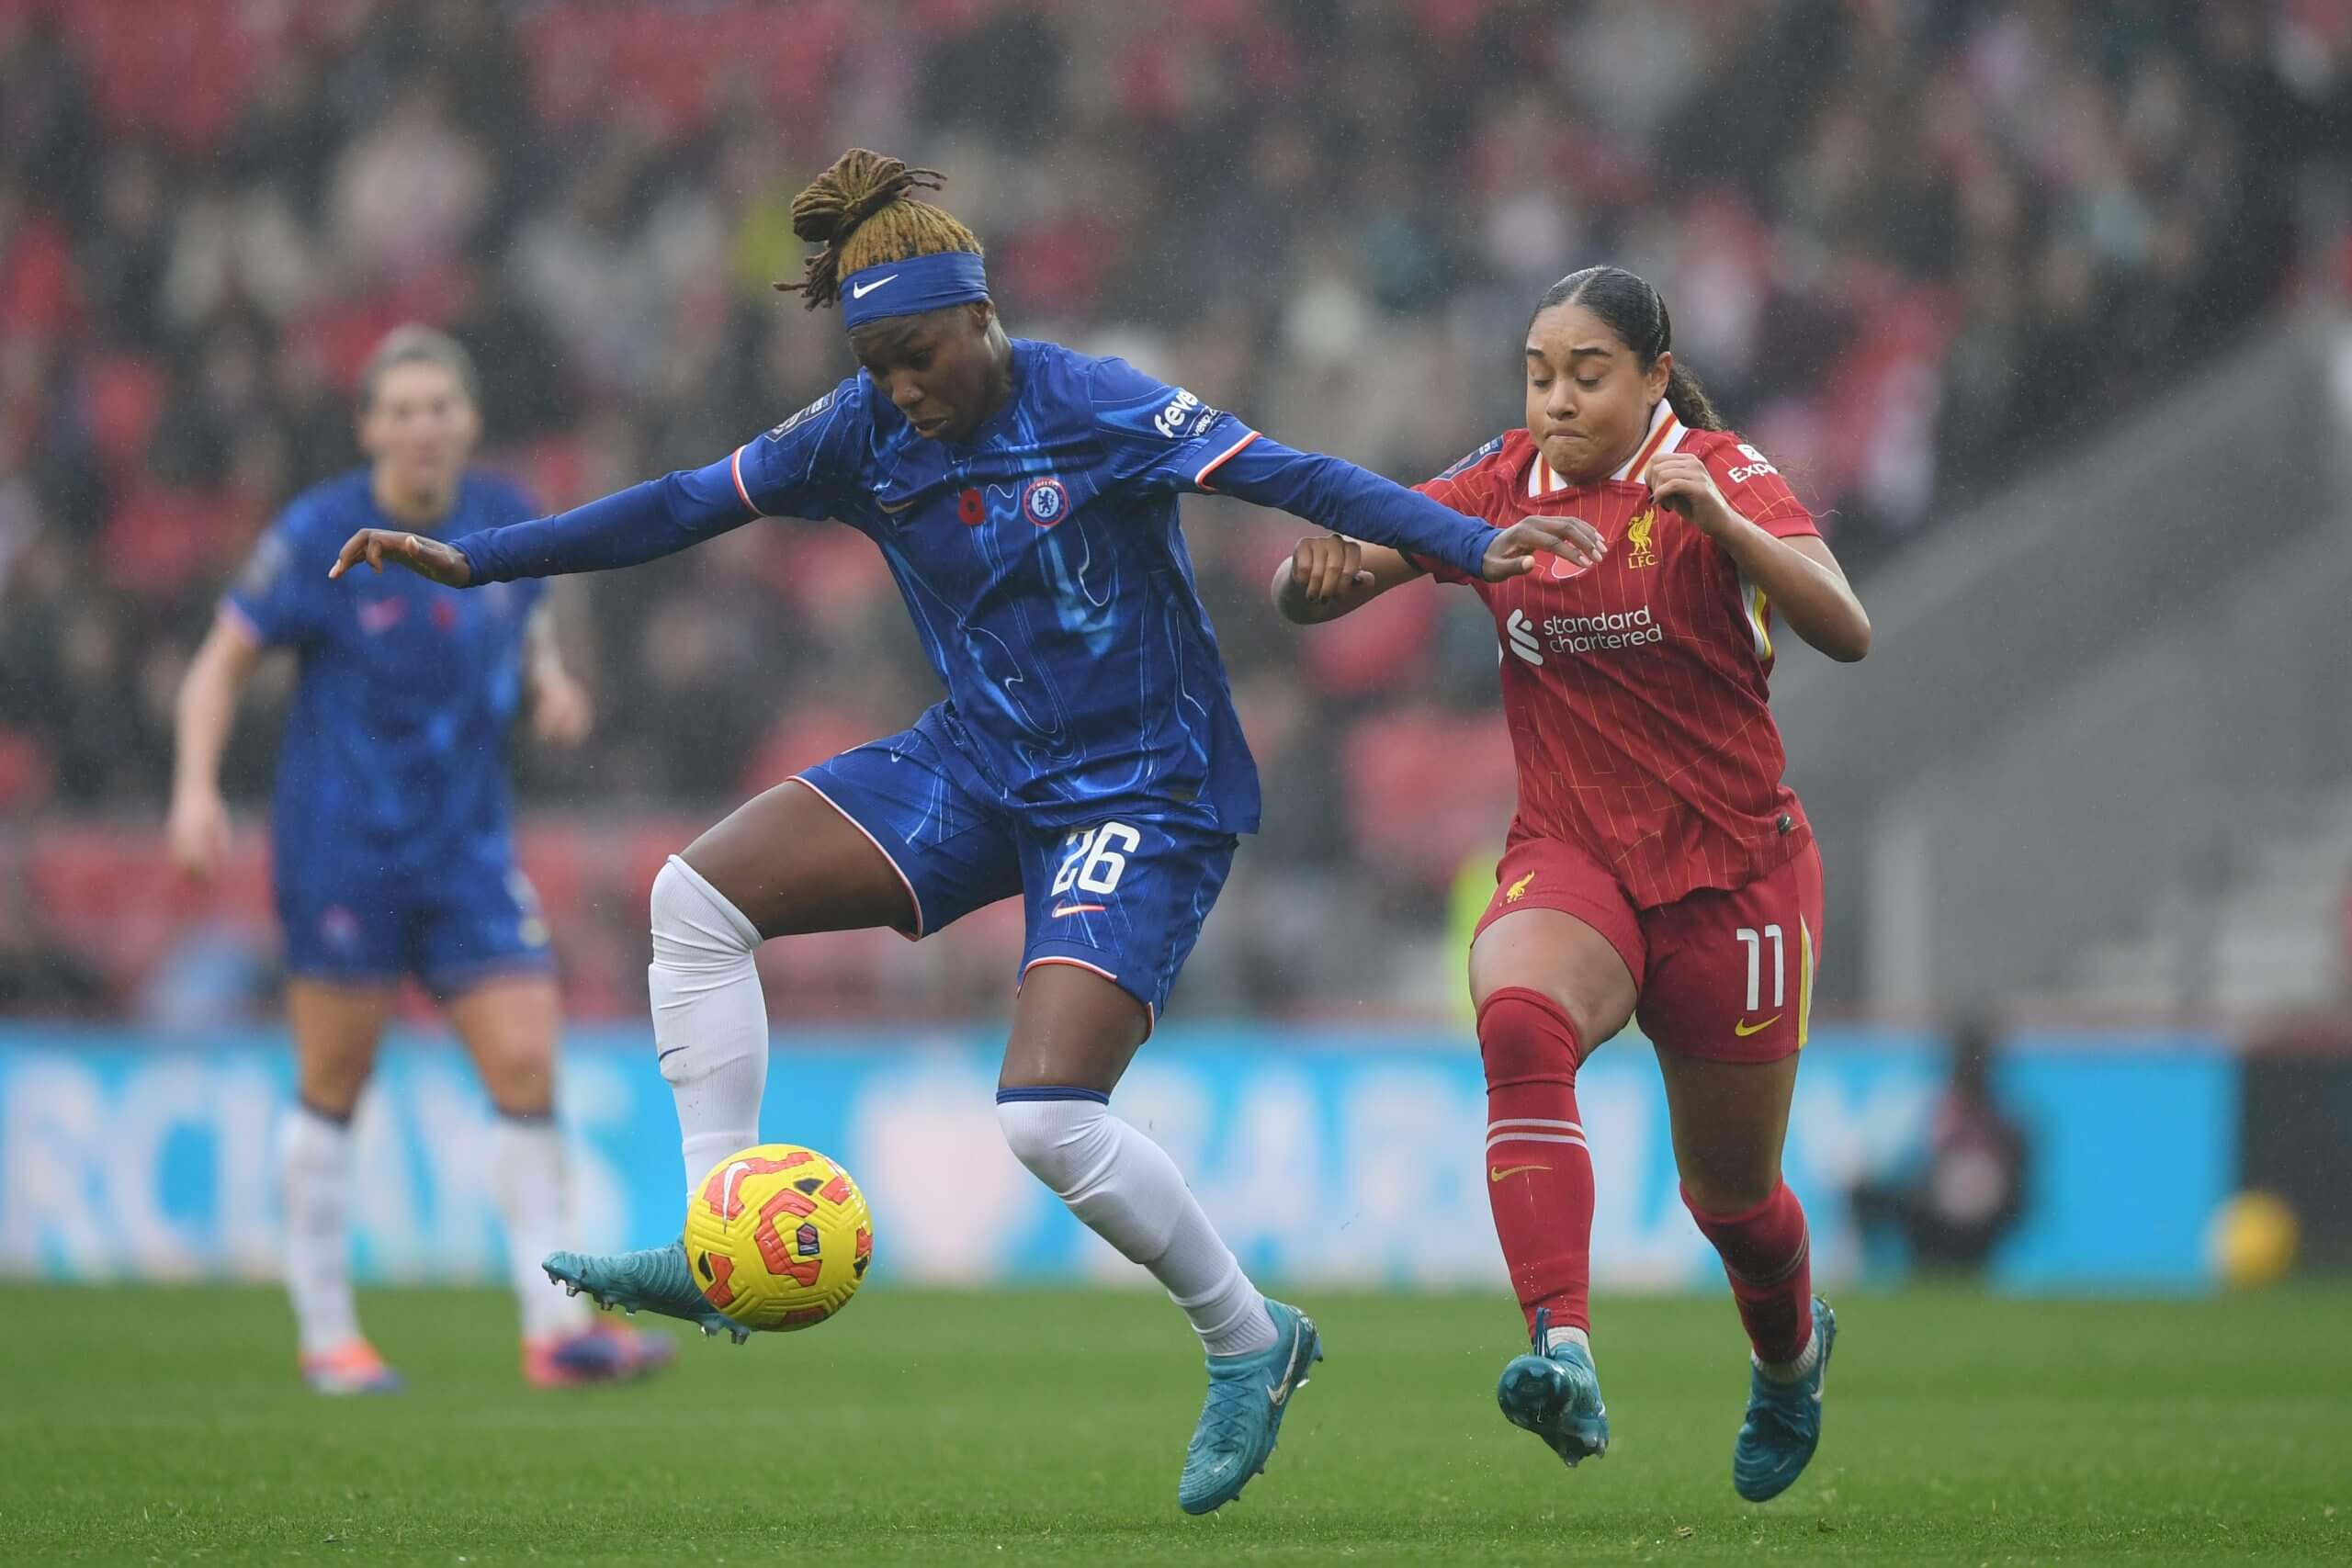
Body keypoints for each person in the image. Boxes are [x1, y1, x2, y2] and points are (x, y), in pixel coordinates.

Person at [326, 149, 1578, 1514]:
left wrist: (1461, 544)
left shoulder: (1092, 402)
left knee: (1046, 1119)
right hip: (980, 763)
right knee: (694, 897)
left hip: (1140, 788)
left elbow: (1290, 475)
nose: (904, 390)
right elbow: (682, 503)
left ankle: (1250, 1336)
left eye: (920, 357)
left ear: (984, 317)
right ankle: (719, 1231)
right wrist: (481, 559)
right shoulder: (862, 429)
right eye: (880, 366)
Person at [1272, 265, 1872, 1502]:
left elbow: (1848, 625)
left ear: (1654, 375)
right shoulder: (1500, 480)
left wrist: (1726, 523)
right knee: (1518, 1016)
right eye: (1540, 375)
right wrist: (1312, 582)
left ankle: (1789, 1357)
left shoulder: (1715, 468)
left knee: (1734, 1198)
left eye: (1587, 375)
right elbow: (1352, 567)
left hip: (1735, 875)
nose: (1557, 399)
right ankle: (1566, 1348)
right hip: (1576, 852)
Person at [169, 325, 673, 1393]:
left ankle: (556, 1331)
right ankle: (326, 1337)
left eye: (438, 406)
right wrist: (194, 789)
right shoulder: (317, 533)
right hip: (342, 849)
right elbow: (219, 668)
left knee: (528, 1067)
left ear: (469, 419)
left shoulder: (503, 512)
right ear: (369, 429)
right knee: (334, 1083)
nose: (421, 427)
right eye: (400, 410)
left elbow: (522, 618)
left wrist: (548, 685)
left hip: (468, 849)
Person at [1849, 1020, 2028, 1273]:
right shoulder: (1998, 1118)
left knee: (1875, 1196)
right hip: (1947, 1215)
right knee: (1868, 1195)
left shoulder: (1989, 1120)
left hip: (1956, 1221)